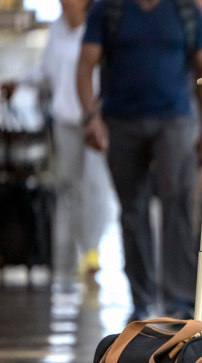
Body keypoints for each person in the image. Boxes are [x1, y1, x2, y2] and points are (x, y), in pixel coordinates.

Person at [76, 0, 202, 321]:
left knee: (177, 203)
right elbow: (85, 65)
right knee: (132, 210)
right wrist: (90, 118)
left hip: (175, 121)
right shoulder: (108, 9)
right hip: (121, 123)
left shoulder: (184, 11)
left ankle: (180, 299)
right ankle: (141, 299)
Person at [2, 0, 117, 290]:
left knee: (94, 185)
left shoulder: (99, 25)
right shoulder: (57, 31)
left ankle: (91, 250)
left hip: (95, 119)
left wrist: (100, 113)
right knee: (70, 186)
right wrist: (20, 83)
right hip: (65, 119)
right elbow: (46, 73)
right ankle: (77, 247)